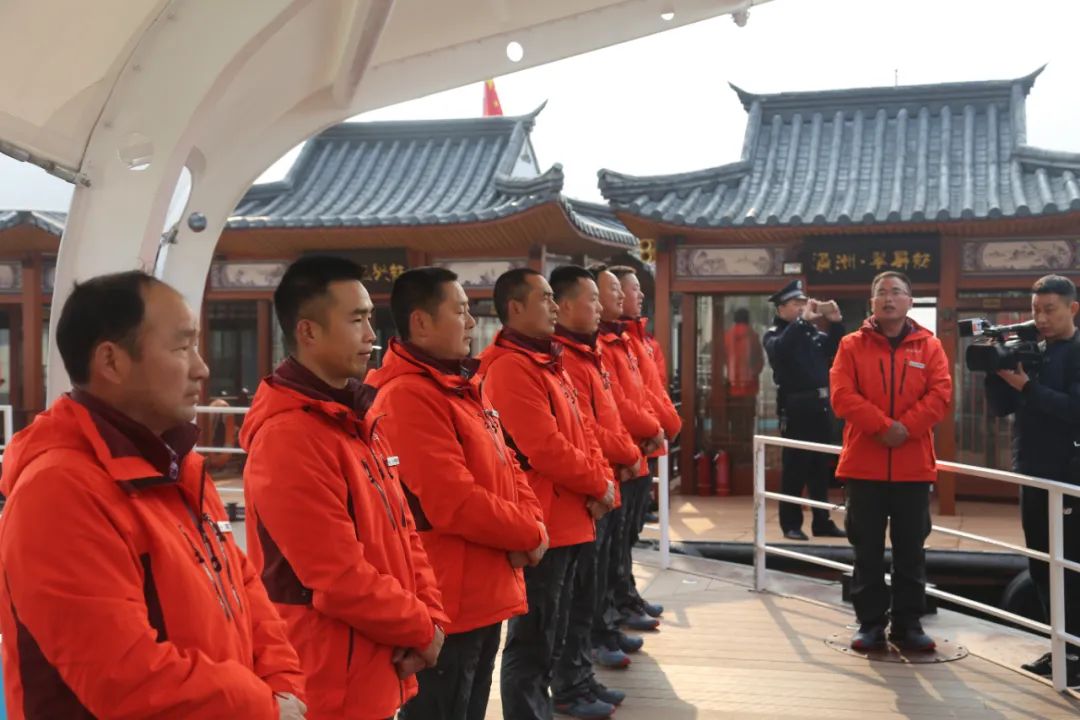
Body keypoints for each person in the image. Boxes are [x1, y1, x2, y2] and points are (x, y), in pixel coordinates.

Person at [0, 271, 306, 718]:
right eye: (182, 348)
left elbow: (248, 597)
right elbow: (125, 678)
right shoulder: (58, 492)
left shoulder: (179, 468)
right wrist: (264, 706)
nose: (202, 368)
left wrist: (283, 687)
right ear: (111, 362)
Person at [241, 256, 448, 720]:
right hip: (327, 682)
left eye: (370, 318)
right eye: (356, 320)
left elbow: (405, 534)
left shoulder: (355, 418)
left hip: (375, 662)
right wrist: (421, 628)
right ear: (308, 332)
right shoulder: (289, 436)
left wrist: (430, 617)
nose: (372, 335)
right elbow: (337, 578)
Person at [366, 267, 549, 719]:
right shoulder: (407, 395)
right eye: (461, 311)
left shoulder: (460, 385)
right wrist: (528, 533)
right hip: (452, 598)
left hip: (484, 589)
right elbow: (454, 501)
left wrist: (533, 523)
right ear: (421, 322)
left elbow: (510, 464)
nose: (470, 323)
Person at [478, 268, 615, 720]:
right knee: (534, 638)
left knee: (561, 625)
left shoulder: (546, 361)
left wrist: (602, 481)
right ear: (515, 308)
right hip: (546, 522)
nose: (555, 306)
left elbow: (584, 433)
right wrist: (599, 484)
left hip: (573, 516)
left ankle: (564, 693)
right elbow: (544, 447)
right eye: (546, 298)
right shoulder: (510, 367)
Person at [830, 271, 952, 651]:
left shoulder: (930, 346)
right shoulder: (851, 345)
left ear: (910, 301)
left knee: (911, 550)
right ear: (872, 303)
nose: (888, 298)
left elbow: (941, 395)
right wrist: (884, 427)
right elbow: (841, 395)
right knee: (866, 549)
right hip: (863, 465)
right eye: (881, 292)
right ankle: (869, 624)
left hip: (913, 467)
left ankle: (908, 624)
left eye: (897, 292)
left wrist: (906, 428)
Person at [550, 265, 643, 716]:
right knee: (561, 609)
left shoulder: (587, 352)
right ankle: (570, 684)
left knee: (590, 587)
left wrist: (628, 453)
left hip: (603, 483)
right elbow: (555, 444)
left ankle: (580, 678)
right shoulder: (561, 357)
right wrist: (606, 474)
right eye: (597, 295)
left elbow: (608, 417)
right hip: (578, 498)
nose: (614, 300)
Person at [986, 274, 1080, 684]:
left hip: (1069, 476)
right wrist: (996, 372)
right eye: (1035, 310)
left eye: (1050, 310)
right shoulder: (1032, 350)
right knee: (1042, 564)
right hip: (1033, 473)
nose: (1040, 318)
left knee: (1070, 565)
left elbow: (1074, 409)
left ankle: (1074, 654)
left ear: (1073, 308)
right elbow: (1001, 408)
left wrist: (1027, 387)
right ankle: (1060, 648)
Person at [592, 266, 664, 635]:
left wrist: (662, 427)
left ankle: (623, 599)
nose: (627, 296)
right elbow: (617, 406)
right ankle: (611, 613)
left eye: (630, 289)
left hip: (636, 453)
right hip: (620, 459)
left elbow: (650, 392)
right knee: (607, 549)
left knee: (624, 539)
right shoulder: (602, 346)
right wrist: (652, 431)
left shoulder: (629, 340)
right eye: (618, 289)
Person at [763, 279, 847, 540]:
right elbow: (781, 350)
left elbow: (836, 348)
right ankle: (790, 524)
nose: (801, 307)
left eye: (803, 302)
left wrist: (835, 322)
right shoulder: (775, 334)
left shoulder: (811, 333)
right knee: (795, 468)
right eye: (795, 303)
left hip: (820, 407)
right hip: (796, 408)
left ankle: (822, 521)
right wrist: (802, 322)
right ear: (781, 309)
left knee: (820, 467)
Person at [724, 308, 766, 458]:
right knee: (748, 423)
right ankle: (748, 453)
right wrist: (753, 375)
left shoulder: (727, 336)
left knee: (735, 423)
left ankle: (735, 454)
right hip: (749, 388)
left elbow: (721, 359)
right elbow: (759, 362)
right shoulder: (753, 336)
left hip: (732, 388)